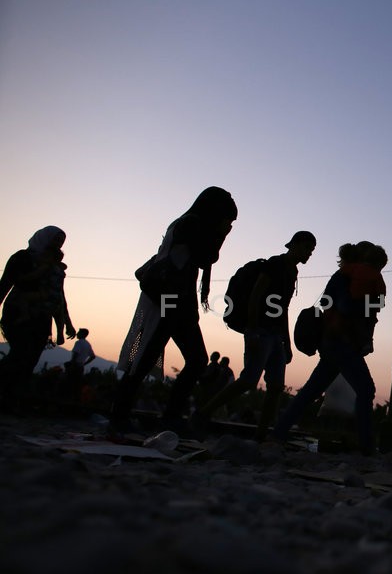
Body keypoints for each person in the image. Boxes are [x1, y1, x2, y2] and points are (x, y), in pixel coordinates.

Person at [110, 187, 237, 435]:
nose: (228, 226)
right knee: (149, 353)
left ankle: (170, 416)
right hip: (168, 298)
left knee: (196, 359)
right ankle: (121, 415)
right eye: (227, 220)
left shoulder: (188, 223)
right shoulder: (191, 224)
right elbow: (206, 257)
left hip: (180, 299)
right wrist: (220, 235)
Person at [191, 231, 316, 440]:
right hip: (260, 331)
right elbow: (256, 294)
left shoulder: (292, 272)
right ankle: (202, 414)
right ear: (294, 245)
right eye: (307, 248)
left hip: (275, 335)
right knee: (249, 380)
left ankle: (262, 435)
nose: (309, 253)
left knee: (276, 387)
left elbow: (283, 309)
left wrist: (287, 343)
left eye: (311, 250)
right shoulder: (274, 264)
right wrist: (251, 329)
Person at [273, 241, 387, 454]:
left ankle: (278, 433)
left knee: (310, 392)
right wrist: (374, 305)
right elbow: (347, 306)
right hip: (342, 343)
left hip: (332, 342)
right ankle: (367, 446)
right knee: (365, 389)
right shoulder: (351, 277)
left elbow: (330, 304)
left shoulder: (344, 275)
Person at [0, 226, 75, 411]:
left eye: (60, 241)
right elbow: (6, 284)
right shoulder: (22, 257)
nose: (57, 243)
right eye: (55, 239)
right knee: (19, 354)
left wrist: (67, 323)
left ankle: (13, 399)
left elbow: (59, 296)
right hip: (19, 312)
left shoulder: (56, 268)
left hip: (42, 318)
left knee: (30, 359)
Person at [65, 328, 96, 403]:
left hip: (74, 366)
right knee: (77, 386)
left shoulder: (79, 343)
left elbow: (76, 354)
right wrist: (84, 363)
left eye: (78, 332)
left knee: (69, 385)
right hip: (80, 367)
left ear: (82, 334)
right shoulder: (87, 344)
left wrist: (71, 364)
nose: (77, 334)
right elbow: (93, 356)